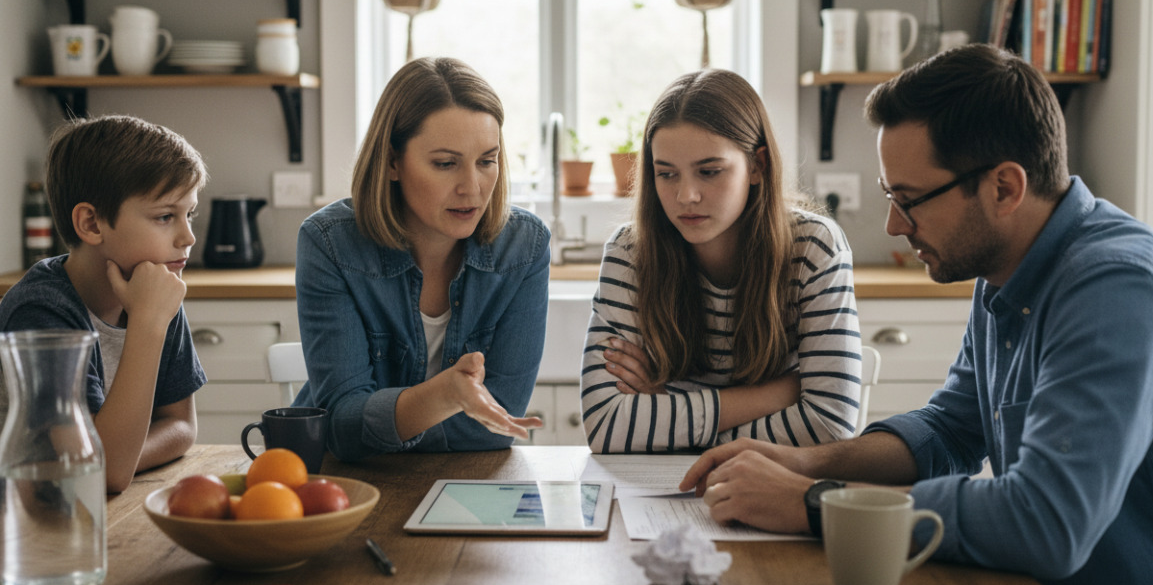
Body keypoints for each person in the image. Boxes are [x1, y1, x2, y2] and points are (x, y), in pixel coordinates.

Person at [679, 44, 1153, 585]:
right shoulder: (1006, 267)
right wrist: (804, 460)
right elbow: (951, 431)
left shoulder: (1117, 289)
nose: (896, 225)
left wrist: (816, 503)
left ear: (1004, 186)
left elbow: (1046, 522)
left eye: (911, 198)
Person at [581, 68, 862, 453]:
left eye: (709, 172)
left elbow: (830, 425)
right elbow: (605, 426)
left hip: (773, 488)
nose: (686, 196)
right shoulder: (630, 252)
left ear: (757, 166)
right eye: (666, 174)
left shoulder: (814, 248)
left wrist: (668, 414)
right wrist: (778, 394)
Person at [293, 57, 548, 461]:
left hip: (463, 486)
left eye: (487, 160)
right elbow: (341, 425)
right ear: (392, 161)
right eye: (445, 164)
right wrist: (445, 396)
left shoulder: (525, 246)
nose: (472, 188)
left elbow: (498, 427)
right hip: (353, 488)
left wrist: (383, 425)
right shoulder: (330, 243)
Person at [0, 115, 209, 494]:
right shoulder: (41, 311)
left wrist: (117, 459)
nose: (188, 237)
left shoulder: (154, 290)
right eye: (165, 216)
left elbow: (181, 426)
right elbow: (104, 471)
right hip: (29, 525)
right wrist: (147, 323)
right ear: (92, 224)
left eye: (189, 213)